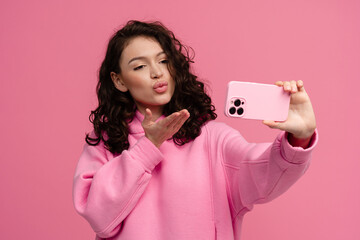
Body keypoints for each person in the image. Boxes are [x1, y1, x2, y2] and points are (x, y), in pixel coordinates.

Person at [72, 20, 318, 240]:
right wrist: (147, 147)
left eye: (164, 61)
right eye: (139, 67)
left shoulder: (212, 138)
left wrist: (300, 137)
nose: (157, 72)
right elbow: (99, 217)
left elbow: (263, 172)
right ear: (119, 80)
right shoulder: (105, 142)